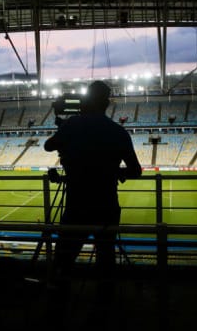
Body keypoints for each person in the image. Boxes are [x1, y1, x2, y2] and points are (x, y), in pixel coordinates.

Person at [43, 80, 142, 312]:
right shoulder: (118, 131)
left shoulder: (72, 125)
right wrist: (117, 172)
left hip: (76, 206)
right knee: (105, 260)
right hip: (107, 205)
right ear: (107, 104)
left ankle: (57, 307)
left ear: (86, 101)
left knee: (65, 258)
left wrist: (65, 127)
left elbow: (49, 146)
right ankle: (103, 308)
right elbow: (135, 170)